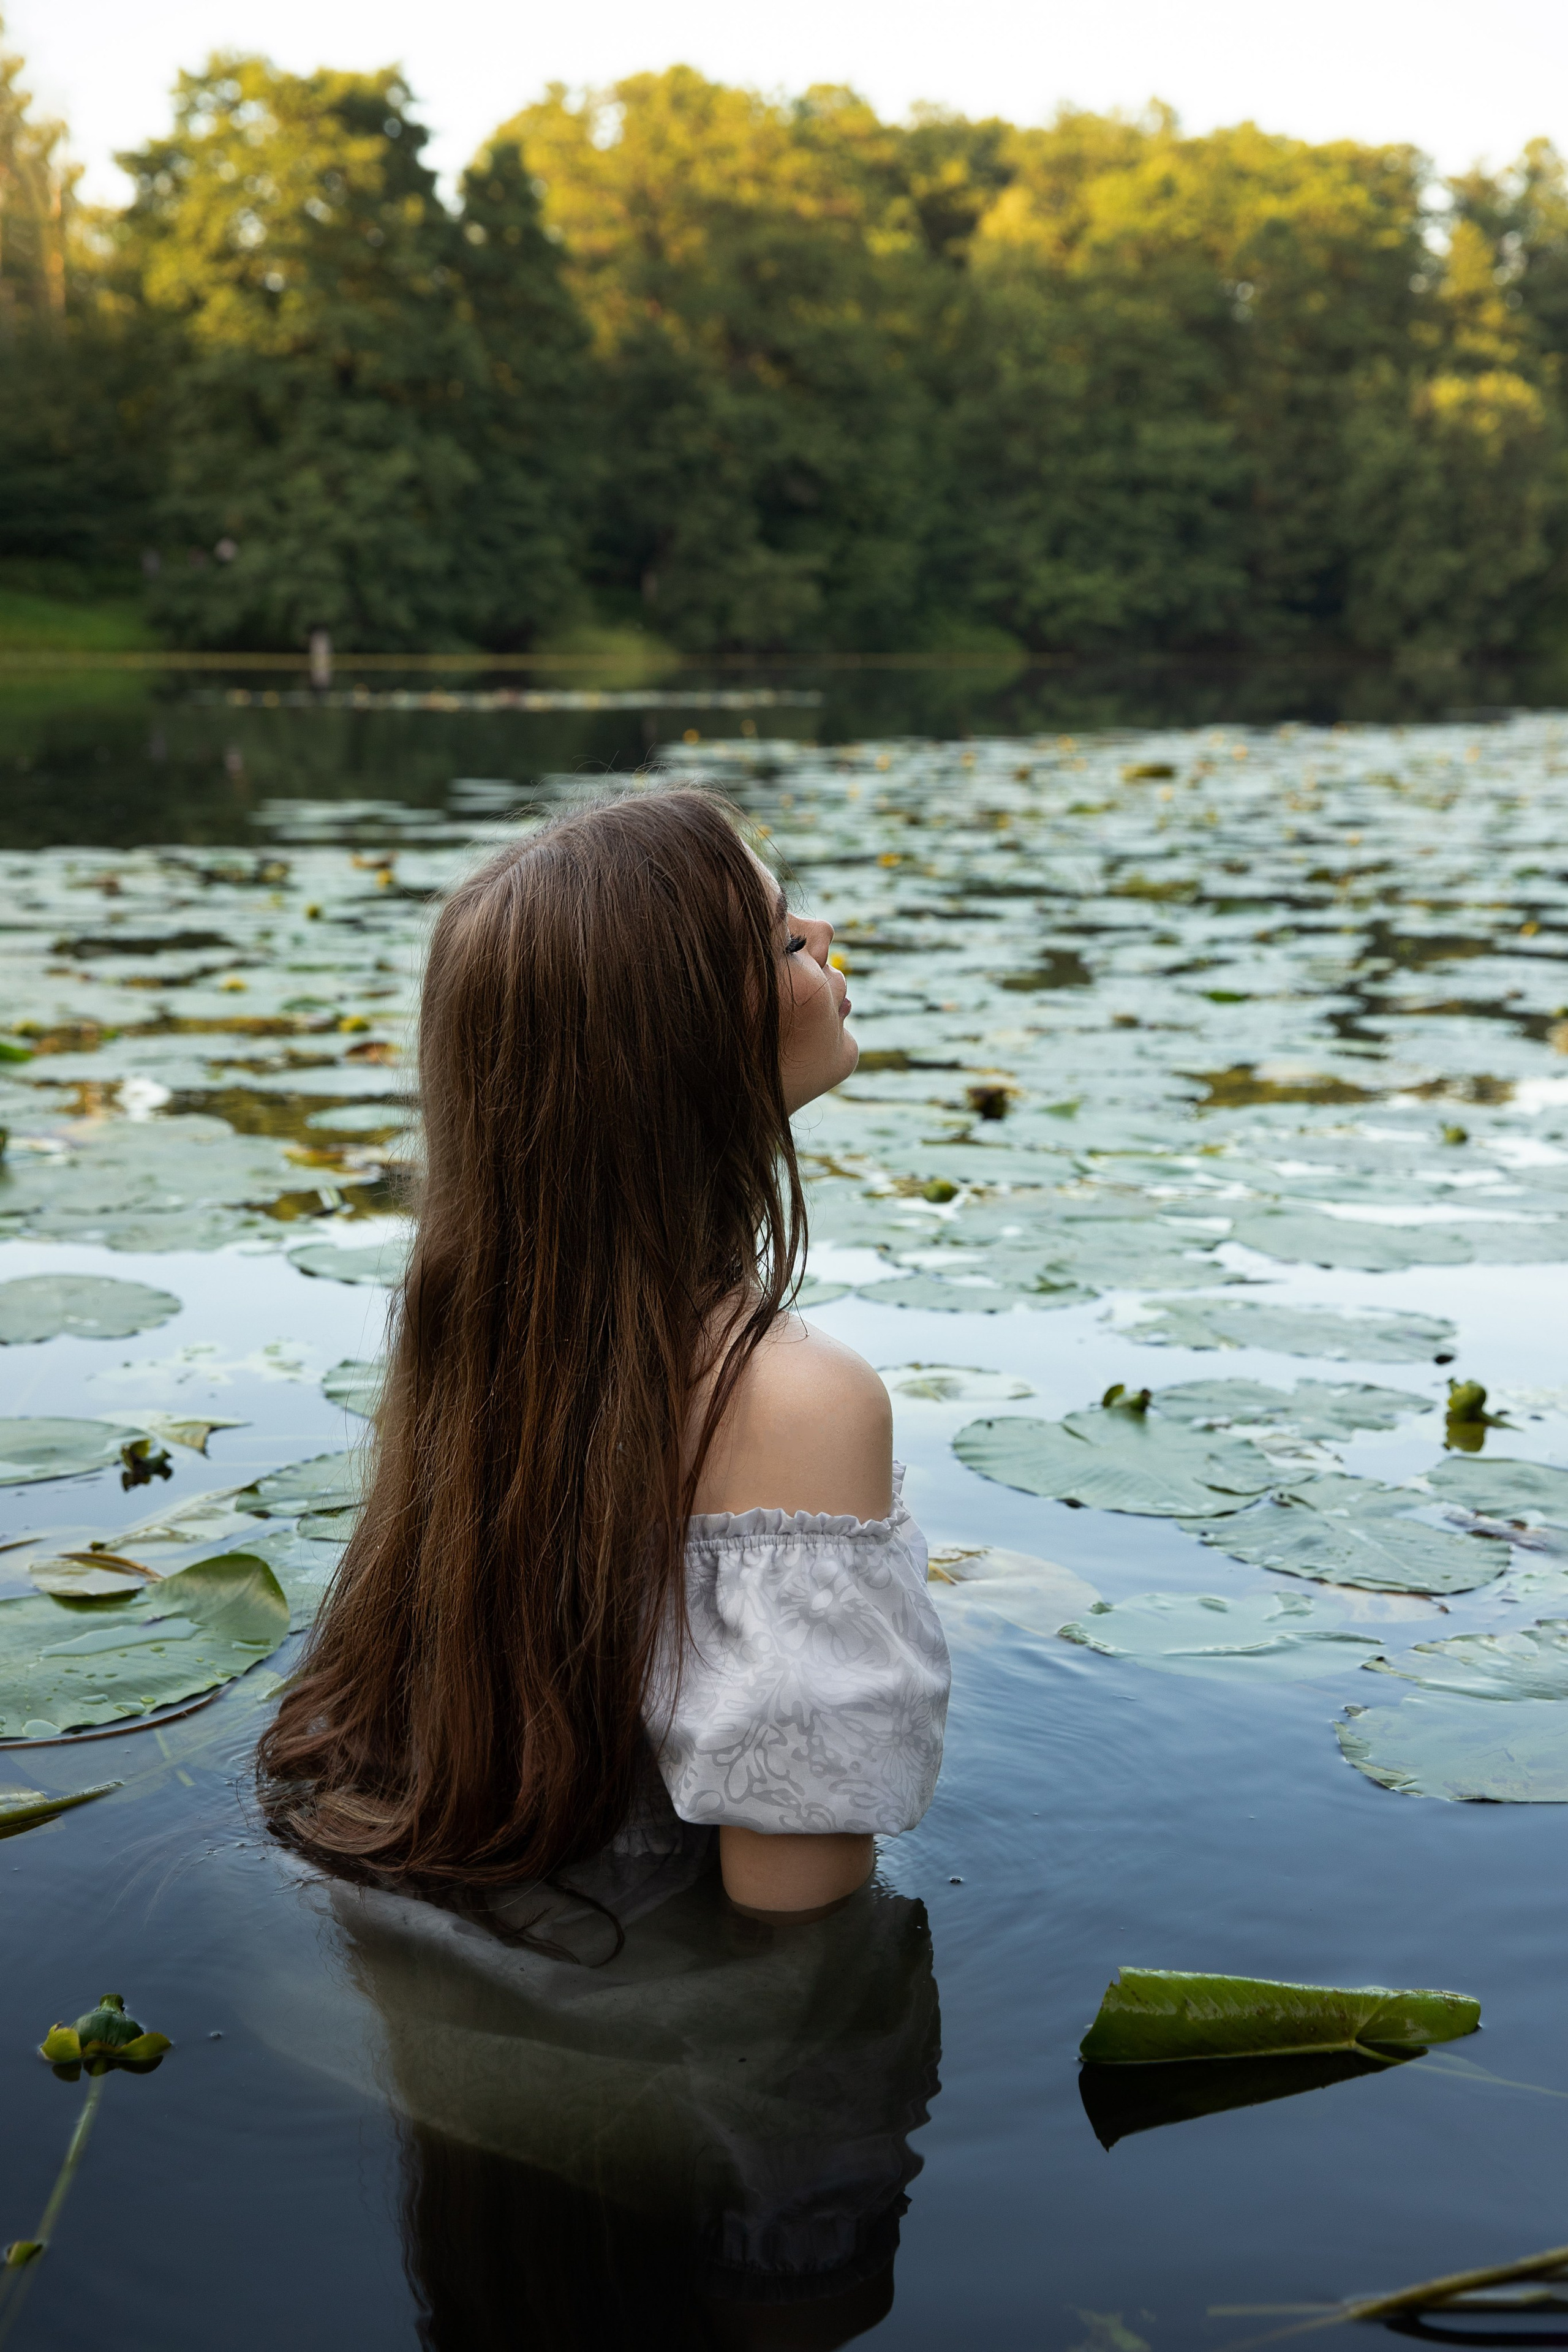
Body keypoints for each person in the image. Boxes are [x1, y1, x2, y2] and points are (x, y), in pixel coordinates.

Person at [257, 785, 951, 1923]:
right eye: (782, 939)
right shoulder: (801, 1402)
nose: (823, 935)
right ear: (683, 1044)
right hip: (639, 2009)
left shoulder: (487, 1336)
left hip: (446, 1968)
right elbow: (796, 1919)